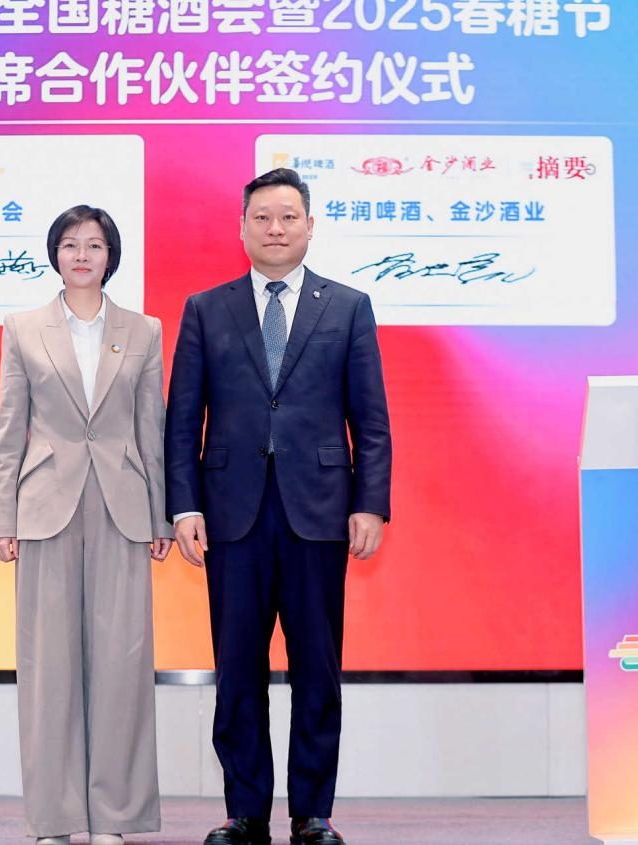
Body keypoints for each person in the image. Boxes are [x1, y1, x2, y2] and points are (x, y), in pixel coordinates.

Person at [165, 169, 392, 845]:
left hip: (318, 512)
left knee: (316, 666)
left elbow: (370, 420)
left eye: (288, 216)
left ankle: (312, 812)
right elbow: (182, 420)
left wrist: (370, 503)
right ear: (241, 227)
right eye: (261, 217)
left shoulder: (347, 306)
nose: (275, 228)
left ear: (309, 226)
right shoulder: (206, 308)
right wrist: (183, 506)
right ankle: (244, 811)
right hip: (229, 515)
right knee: (238, 667)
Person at [0, 205, 173, 845]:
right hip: (45, 507)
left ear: (110, 256)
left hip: (124, 505)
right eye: (70, 245)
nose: (82, 256)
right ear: (55, 255)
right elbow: (9, 429)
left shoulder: (144, 329)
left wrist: (161, 514)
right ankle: (55, 818)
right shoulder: (23, 328)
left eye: (94, 245)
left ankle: (114, 818)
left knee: (123, 662)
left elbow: (153, 429)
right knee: (49, 667)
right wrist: (2, 516)